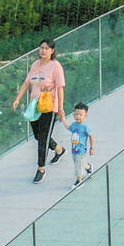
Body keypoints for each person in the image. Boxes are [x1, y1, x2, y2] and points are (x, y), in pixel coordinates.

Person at [11, 38, 67, 184]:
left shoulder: (56, 66)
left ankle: (41, 168)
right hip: (35, 106)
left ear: (52, 51)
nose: (43, 51)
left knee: (42, 139)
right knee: (37, 136)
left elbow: (60, 89)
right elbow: (27, 82)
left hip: (49, 107)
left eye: (46, 48)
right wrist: (18, 98)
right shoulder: (36, 64)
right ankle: (59, 149)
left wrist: (60, 109)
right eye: (41, 48)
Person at [66, 102, 95, 187]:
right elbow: (68, 127)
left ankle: (79, 181)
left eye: (80, 114)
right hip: (74, 149)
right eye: (76, 114)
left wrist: (92, 148)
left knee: (78, 166)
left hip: (81, 150)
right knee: (80, 164)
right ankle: (89, 167)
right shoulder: (74, 125)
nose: (78, 116)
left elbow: (91, 136)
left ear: (85, 115)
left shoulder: (86, 127)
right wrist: (63, 118)